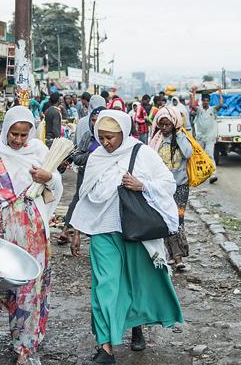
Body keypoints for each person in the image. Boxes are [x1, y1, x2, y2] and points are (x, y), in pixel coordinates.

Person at [70, 110, 184, 364]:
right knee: (104, 288)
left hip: (134, 232)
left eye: (110, 137)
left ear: (123, 133)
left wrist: (142, 184)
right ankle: (106, 349)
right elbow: (85, 194)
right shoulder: (96, 156)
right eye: (101, 137)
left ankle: (136, 327)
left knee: (135, 284)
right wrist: (75, 229)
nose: (106, 142)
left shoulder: (142, 153)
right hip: (101, 231)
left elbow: (168, 183)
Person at [0, 106, 63, 365]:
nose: (19, 140)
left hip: (33, 231)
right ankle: (20, 334)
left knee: (31, 287)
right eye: (14, 134)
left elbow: (56, 186)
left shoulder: (40, 152)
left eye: (24, 135)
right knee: (8, 284)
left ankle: (26, 346)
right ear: (6, 129)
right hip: (3, 230)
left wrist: (48, 177)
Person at [150, 107, 193, 271]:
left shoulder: (181, 137)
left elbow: (188, 154)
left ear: (174, 124)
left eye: (167, 124)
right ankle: (172, 255)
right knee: (165, 219)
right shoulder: (156, 140)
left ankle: (178, 256)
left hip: (180, 186)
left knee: (178, 220)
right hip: (162, 187)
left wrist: (179, 135)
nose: (164, 128)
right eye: (161, 125)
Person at [59, 106, 106, 253]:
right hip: (85, 176)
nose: (95, 124)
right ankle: (69, 230)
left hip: (104, 181)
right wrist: (93, 155)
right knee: (79, 200)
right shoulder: (88, 136)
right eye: (93, 121)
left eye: (99, 121)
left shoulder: (116, 139)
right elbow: (77, 157)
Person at [190, 89, 222, 183]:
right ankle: (201, 174)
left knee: (209, 155)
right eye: (204, 100)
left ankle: (213, 174)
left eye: (207, 100)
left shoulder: (213, 110)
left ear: (209, 101)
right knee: (199, 156)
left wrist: (220, 92)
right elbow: (192, 106)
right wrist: (194, 92)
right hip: (200, 137)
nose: (206, 102)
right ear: (202, 101)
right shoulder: (199, 110)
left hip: (209, 138)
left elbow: (220, 105)